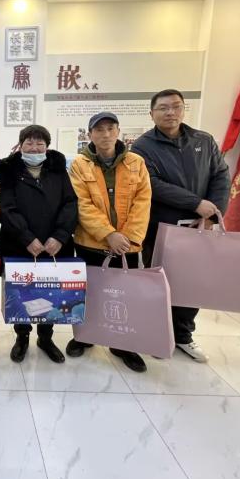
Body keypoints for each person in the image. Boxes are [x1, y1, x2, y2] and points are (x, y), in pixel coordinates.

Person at [131, 89, 230, 363]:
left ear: (184, 109)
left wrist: (213, 214)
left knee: (192, 282)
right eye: (163, 108)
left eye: (176, 106)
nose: (170, 112)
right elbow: (151, 183)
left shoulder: (203, 140)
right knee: (159, 282)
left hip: (200, 226)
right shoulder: (142, 147)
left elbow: (221, 175)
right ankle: (158, 334)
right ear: (152, 114)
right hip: (161, 225)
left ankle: (184, 335)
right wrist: (195, 202)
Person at [66, 112, 152, 373]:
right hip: (90, 243)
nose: (105, 134)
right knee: (87, 294)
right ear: (90, 134)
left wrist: (128, 237)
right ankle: (85, 337)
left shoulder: (136, 162)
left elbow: (143, 201)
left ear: (118, 132)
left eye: (110, 128)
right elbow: (81, 204)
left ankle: (123, 344)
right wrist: (108, 234)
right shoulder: (79, 164)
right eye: (99, 130)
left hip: (127, 246)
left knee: (125, 296)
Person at [0, 125, 78, 363]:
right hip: (19, 244)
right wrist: (26, 237)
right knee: (22, 293)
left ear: (47, 147)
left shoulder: (58, 171)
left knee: (49, 292)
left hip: (54, 247)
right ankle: (22, 337)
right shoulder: (10, 171)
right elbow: (6, 208)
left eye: (39, 143)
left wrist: (60, 236)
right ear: (20, 146)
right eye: (29, 143)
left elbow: (70, 203)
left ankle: (45, 338)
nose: (34, 147)